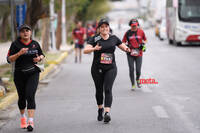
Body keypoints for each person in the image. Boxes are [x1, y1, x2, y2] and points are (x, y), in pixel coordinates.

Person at [83, 18, 130, 123]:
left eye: (106, 27)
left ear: (109, 28)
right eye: (102, 27)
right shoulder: (95, 38)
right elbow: (85, 50)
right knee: (99, 90)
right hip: (97, 68)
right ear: (99, 29)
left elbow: (122, 46)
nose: (104, 29)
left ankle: (107, 112)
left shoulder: (113, 38)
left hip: (111, 68)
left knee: (108, 89)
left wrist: (128, 49)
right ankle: (100, 108)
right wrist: (94, 49)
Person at [7, 24, 45, 132]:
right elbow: (9, 59)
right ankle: (23, 117)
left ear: (31, 32)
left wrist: (39, 58)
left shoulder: (35, 44)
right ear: (20, 33)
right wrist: (19, 53)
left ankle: (31, 121)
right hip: (19, 74)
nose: (25, 32)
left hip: (33, 73)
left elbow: (42, 55)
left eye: (27, 30)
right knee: (22, 97)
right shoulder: (15, 44)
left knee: (30, 95)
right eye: (23, 31)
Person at [122, 18, 147, 91]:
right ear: (130, 25)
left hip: (139, 53)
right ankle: (133, 84)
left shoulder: (141, 32)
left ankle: (138, 79)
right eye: (132, 26)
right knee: (131, 69)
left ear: (137, 25)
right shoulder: (127, 33)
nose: (134, 27)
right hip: (130, 53)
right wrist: (126, 47)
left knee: (138, 70)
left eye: (135, 26)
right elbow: (123, 42)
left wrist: (143, 44)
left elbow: (145, 39)